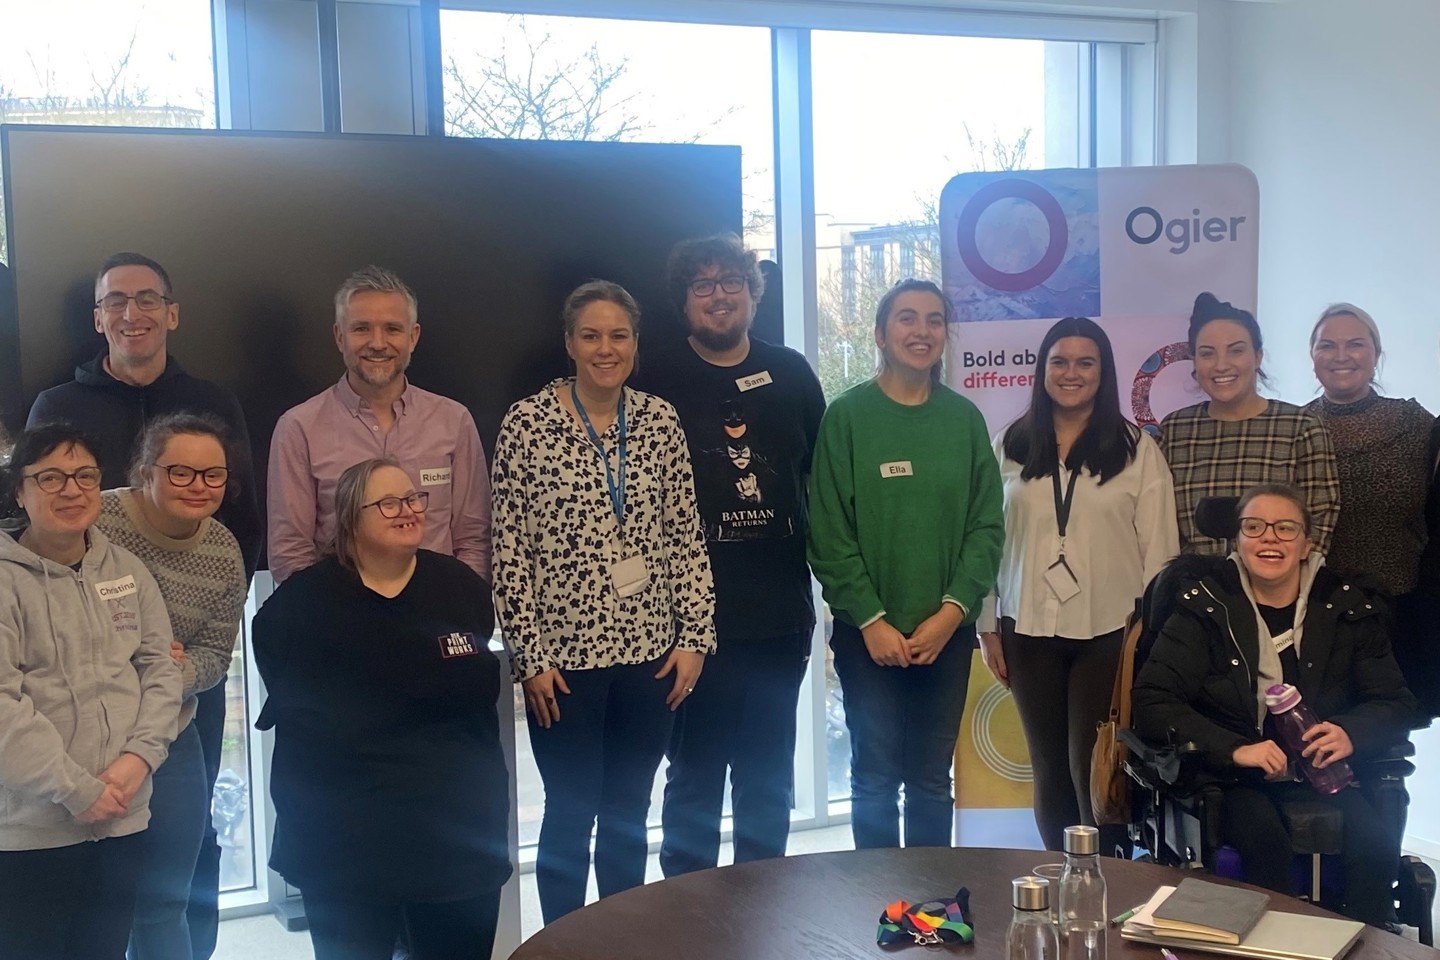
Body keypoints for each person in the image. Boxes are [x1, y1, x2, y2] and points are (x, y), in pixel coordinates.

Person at [25, 252, 260, 959]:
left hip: (186, 667)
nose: (134, 313)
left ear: (172, 313)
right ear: (99, 319)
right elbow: (39, 535)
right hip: (83, 675)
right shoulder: (58, 406)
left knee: (183, 849)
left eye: (148, 299)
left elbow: (241, 519)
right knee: (99, 836)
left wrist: (179, 666)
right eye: (117, 301)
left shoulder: (216, 401)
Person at [491, 280, 715, 923]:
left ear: (635, 344)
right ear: (569, 343)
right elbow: (510, 552)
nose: (605, 348)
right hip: (562, 664)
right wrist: (529, 659)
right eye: (590, 335)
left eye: (618, 335)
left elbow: (685, 538)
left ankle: (622, 937)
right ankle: (563, 943)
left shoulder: (659, 419)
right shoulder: (527, 424)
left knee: (627, 810)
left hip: (651, 657)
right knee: (568, 810)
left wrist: (694, 638)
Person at [253, 457, 509, 960]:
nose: (407, 510)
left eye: (414, 499)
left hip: (456, 836)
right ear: (349, 517)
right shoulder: (301, 604)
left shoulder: (460, 588)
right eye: (388, 502)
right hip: (346, 839)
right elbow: (279, 672)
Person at [1132, 483, 1416, 928]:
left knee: (1376, 842)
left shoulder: (1348, 608)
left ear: (1306, 543)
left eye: (1285, 528)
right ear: (1237, 541)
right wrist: (1234, 749)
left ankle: (1370, 943)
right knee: (1264, 843)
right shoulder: (1204, 606)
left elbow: (1396, 703)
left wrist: (1348, 732)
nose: (1269, 538)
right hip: (1236, 777)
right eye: (1254, 527)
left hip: (1326, 771)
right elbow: (1152, 701)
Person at [640, 235, 825, 877]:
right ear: (684, 301)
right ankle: (687, 921)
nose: (719, 295)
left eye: (731, 282)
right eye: (703, 285)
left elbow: (822, 480)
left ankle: (762, 907)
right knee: (693, 775)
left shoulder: (793, 373)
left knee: (768, 774)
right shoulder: (653, 378)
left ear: (753, 293)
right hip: (686, 624)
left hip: (779, 613)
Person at [807, 278, 1004, 850]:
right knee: (872, 780)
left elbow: (986, 527)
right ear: (880, 335)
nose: (922, 331)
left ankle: (929, 911)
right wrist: (870, 619)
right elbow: (828, 532)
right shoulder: (846, 418)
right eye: (907, 319)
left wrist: (950, 616)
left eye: (934, 320)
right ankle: (878, 909)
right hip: (869, 636)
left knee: (929, 783)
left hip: (946, 634)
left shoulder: (964, 421)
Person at [978, 317, 1178, 852]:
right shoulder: (1009, 445)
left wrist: (1150, 639)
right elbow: (986, 540)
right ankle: (1066, 881)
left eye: (1085, 362)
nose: (1071, 373)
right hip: (1027, 626)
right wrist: (987, 626)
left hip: (1110, 629)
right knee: (1048, 766)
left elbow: (1161, 553)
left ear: (1103, 372)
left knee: (1095, 764)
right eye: (1059, 361)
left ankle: (1103, 880)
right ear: (1042, 370)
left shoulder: (1137, 449)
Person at [0, 423, 182, 959]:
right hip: (32, 829)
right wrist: (76, 790)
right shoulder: (5, 581)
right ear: (19, 492)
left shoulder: (127, 570)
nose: (71, 490)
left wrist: (139, 760)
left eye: (84, 476)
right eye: (51, 477)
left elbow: (160, 669)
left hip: (124, 814)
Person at [93, 414, 247, 959]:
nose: (199, 486)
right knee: (98, 905)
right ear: (143, 472)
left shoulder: (225, 551)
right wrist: (137, 661)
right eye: (180, 472)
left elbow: (213, 656)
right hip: (83, 732)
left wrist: (166, 675)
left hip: (169, 733)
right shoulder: (94, 519)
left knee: (166, 903)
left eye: (213, 475)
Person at [266, 265, 491, 584]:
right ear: (339, 336)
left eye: (392, 329)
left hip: (439, 619)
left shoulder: (454, 422)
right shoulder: (298, 429)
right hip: (343, 623)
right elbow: (291, 553)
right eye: (361, 329)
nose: (377, 343)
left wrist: (457, 606)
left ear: (413, 337)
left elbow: (473, 539)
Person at [1303, 303, 1437, 716]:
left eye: (1355, 343)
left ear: (1376, 354)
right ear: (1312, 357)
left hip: (1403, 615)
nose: (1341, 355)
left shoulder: (1416, 424)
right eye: (1328, 345)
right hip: (1319, 617)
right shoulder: (1295, 428)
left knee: (1391, 745)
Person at [1159, 292, 1339, 555]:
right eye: (1207, 354)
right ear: (1195, 362)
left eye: (1236, 351)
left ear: (1257, 357)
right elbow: (1160, 527)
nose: (1221, 365)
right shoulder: (1175, 431)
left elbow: (1318, 526)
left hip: (1279, 590)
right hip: (1191, 588)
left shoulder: (1301, 427)